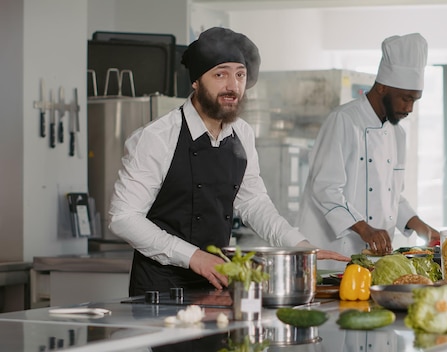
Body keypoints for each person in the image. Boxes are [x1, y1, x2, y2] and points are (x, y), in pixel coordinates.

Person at [108, 27, 349, 296]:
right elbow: (124, 218)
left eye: (240, 75)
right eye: (220, 74)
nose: (233, 86)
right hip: (160, 290)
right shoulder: (157, 137)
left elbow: (253, 202)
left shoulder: (242, 134)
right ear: (196, 81)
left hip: (217, 283)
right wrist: (194, 257)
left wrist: (300, 246)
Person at [297, 33, 440, 269]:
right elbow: (325, 188)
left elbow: (393, 194)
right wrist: (365, 229)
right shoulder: (343, 120)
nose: (409, 108)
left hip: (372, 259)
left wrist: (419, 225)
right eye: (405, 98)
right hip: (332, 255)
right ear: (383, 87)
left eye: (415, 100)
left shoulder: (398, 133)